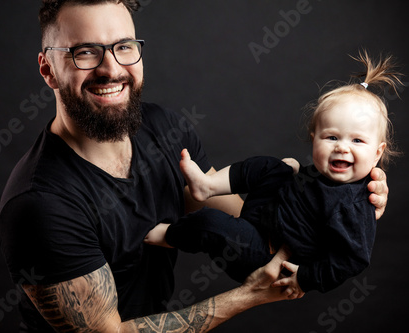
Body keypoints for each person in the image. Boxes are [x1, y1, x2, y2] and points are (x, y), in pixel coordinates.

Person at [0, 1, 389, 332]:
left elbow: (246, 222)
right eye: (85, 51)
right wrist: (249, 295)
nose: (111, 69)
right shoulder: (41, 204)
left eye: (124, 46)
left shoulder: (165, 129)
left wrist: (343, 203)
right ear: (48, 69)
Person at [145, 50, 401, 295]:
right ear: (314, 140)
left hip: (263, 252)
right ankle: (207, 186)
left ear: (378, 153)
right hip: (266, 214)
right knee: (273, 166)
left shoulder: (355, 206)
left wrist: (305, 278)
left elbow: (353, 260)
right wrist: (298, 174)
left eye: (357, 141)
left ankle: (166, 235)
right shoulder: (324, 174)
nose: (342, 148)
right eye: (331, 137)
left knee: (211, 224)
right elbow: (312, 193)